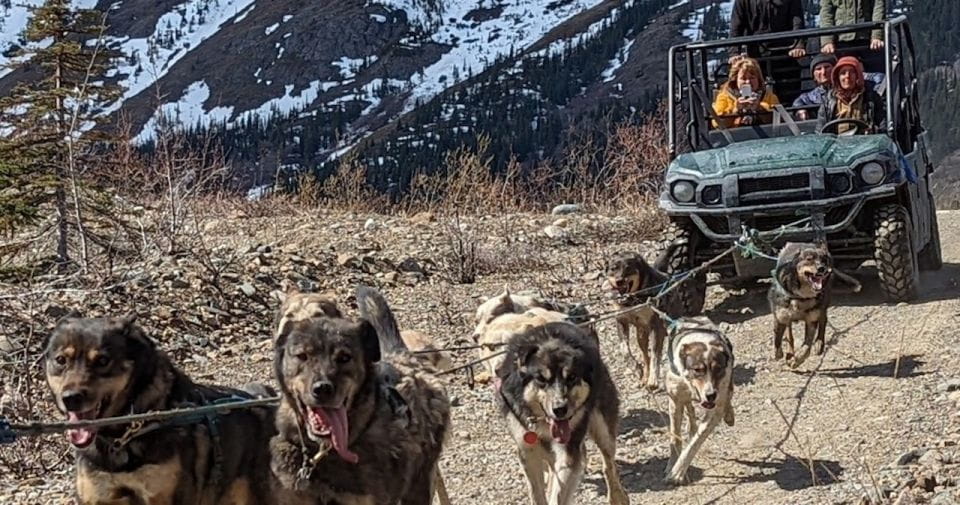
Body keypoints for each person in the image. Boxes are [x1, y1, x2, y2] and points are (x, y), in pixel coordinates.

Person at [729, 0, 806, 103]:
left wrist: (798, 45)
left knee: (789, 94)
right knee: (757, 91)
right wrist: (734, 53)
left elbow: (797, 20)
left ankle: (791, 114)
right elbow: (736, 26)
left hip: (785, 53)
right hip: (757, 55)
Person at [816, 56, 885, 134]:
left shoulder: (871, 98)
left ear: (858, 75)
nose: (847, 76)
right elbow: (819, 132)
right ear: (837, 77)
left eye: (852, 72)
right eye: (843, 73)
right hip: (837, 143)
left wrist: (873, 130)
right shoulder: (828, 101)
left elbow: (883, 127)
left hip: (865, 143)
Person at [713, 56, 781, 128]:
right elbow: (717, 124)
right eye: (743, 78)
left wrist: (759, 108)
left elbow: (778, 121)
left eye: (752, 78)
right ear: (735, 80)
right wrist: (736, 110)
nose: (748, 82)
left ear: (758, 79)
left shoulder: (769, 96)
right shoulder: (724, 96)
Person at [819, 0, 887, 72]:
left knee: (876, 74)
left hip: (867, 38)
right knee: (846, 74)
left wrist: (877, 35)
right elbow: (826, 13)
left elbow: (878, 7)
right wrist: (827, 40)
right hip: (842, 40)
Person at [793, 53, 837, 119]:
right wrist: (800, 110)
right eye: (819, 69)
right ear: (814, 76)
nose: (823, 72)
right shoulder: (809, 97)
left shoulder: (845, 91)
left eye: (827, 67)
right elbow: (797, 103)